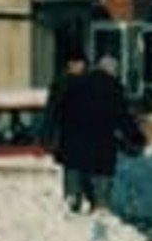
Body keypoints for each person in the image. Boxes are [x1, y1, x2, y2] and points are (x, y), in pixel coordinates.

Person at [56, 54, 144, 214]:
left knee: (71, 202)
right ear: (113, 71)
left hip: (73, 149)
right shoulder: (114, 88)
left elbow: (60, 112)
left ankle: (70, 214)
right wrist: (136, 137)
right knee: (101, 197)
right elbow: (123, 118)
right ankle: (100, 212)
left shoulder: (76, 84)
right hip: (101, 151)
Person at [41, 49, 87, 161]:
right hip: (79, 140)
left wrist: (47, 140)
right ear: (71, 64)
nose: (82, 66)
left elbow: (51, 113)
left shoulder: (59, 83)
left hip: (64, 142)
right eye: (80, 63)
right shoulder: (84, 83)